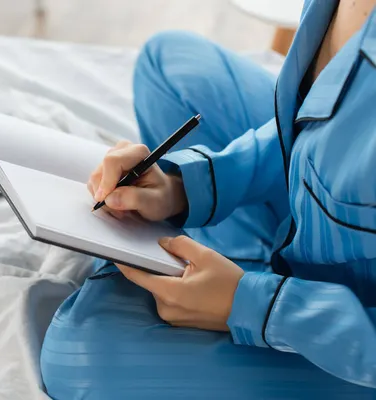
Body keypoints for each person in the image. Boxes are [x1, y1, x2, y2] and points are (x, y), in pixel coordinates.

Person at [40, 0, 376, 398]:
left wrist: (256, 305)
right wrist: (183, 186)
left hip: (354, 338)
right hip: (327, 222)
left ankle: (231, 273)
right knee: (169, 64)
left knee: (79, 357)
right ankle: (230, 265)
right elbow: (311, 128)